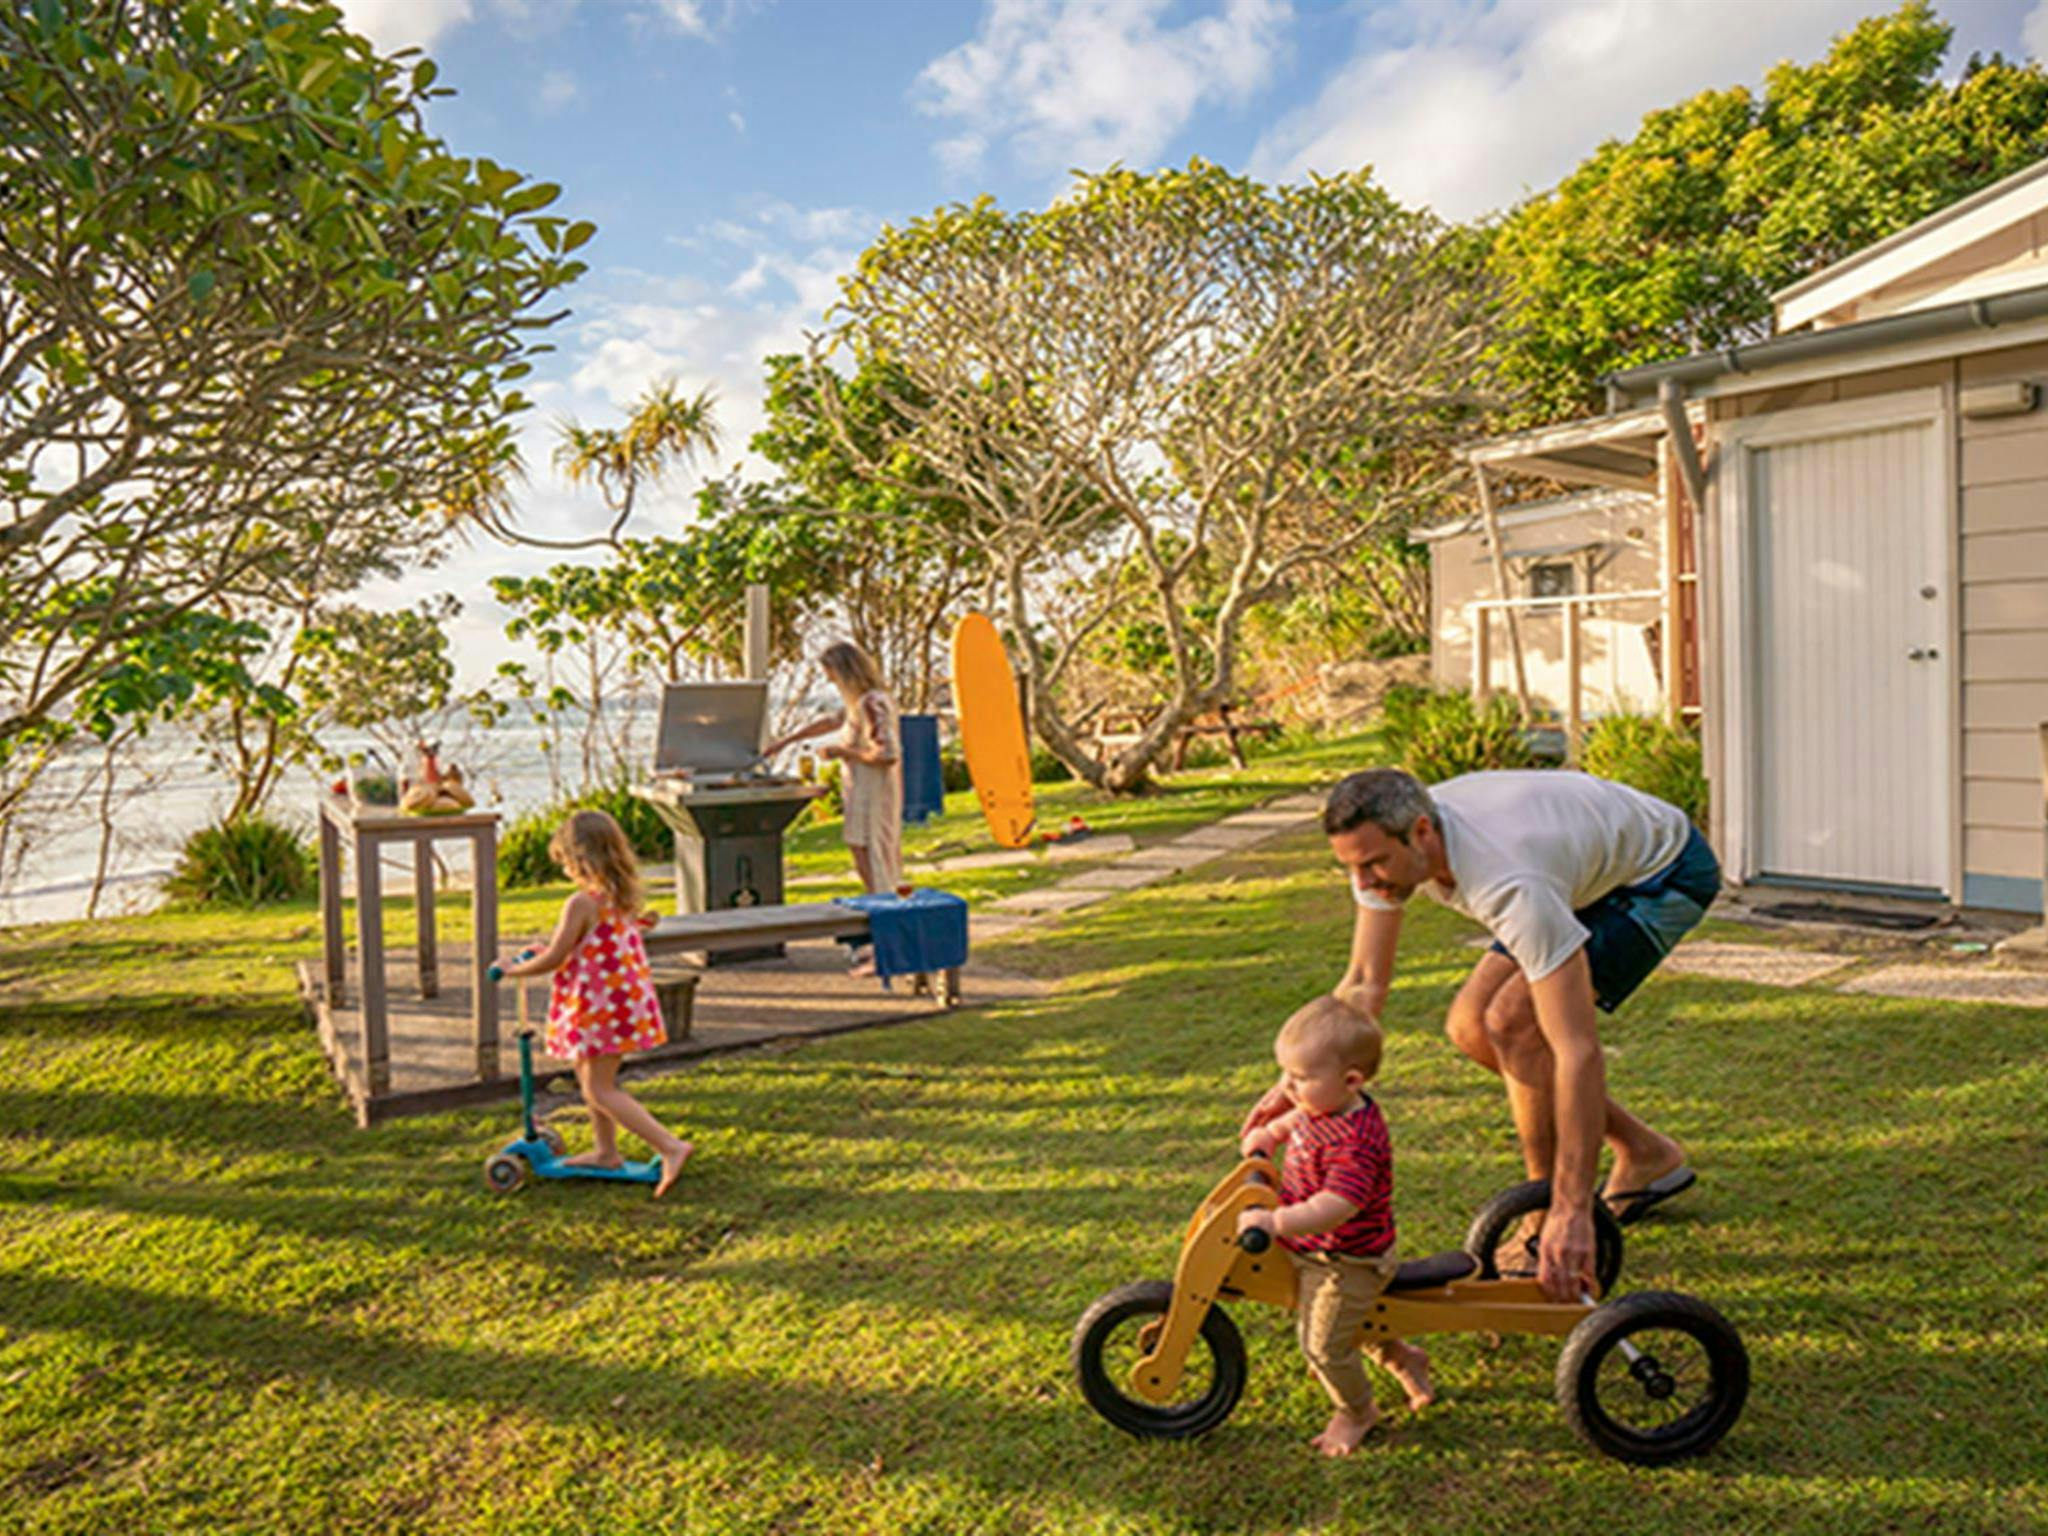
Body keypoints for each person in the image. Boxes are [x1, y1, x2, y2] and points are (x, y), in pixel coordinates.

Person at [1249, 767, 1717, 1304]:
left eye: (1373, 863)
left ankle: (1543, 1217)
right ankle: (1644, 1151)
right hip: (1577, 868)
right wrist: (1295, 1082)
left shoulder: (1508, 881)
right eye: (1352, 866)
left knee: (1515, 1026)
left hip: (1660, 873)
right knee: (1471, 1028)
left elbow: (1576, 1050)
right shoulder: (1388, 846)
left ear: (1422, 832)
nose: (1364, 883)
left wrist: (1570, 1209)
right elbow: (1362, 985)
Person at [1235, 996, 1435, 1457]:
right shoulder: (1322, 1106)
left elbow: (1336, 1204)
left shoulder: (1356, 1140)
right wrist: (1269, 1135)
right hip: (1315, 1249)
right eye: (1285, 1074)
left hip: (1348, 1260)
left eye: (1299, 1078)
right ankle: (1404, 1359)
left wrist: (1275, 1221)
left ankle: (1357, 1411)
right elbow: (1297, 1121)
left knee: (1322, 1344)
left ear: (1351, 1081)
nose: (1287, 1087)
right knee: (1353, 1324)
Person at [496, 809, 693, 1200]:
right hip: (618, 1004)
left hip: (598, 1009)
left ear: (583, 859)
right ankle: (606, 1152)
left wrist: (512, 970)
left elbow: (555, 957)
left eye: (568, 862)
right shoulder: (621, 898)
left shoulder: (581, 903)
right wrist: (543, 951)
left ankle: (670, 1146)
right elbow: (578, 948)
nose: (568, 870)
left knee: (600, 1089)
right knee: (592, 1083)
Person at [763, 641, 902, 967]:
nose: (830, 682)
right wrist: (784, 742)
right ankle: (876, 934)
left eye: (832, 675)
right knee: (862, 855)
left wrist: (841, 753)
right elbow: (831, 721)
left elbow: (887, 754)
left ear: (846, 672)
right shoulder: (859, 703)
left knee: (877, 861)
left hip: (875, 792)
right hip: (859, 790)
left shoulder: (872, 703)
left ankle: (888, 943)